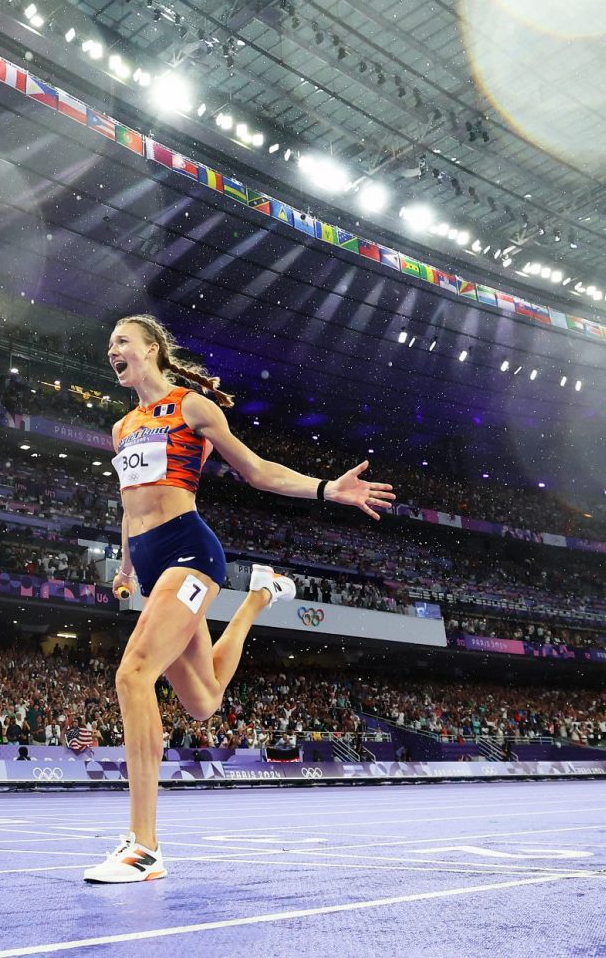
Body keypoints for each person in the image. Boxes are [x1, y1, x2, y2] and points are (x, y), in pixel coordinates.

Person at [84, 314, 394, 884]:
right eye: (109, 345)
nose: (112, 351)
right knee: (202, 703)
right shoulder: (122, 427)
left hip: (190, 555)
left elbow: (256, 472)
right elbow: (129, 507)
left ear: (151, 348)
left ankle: (144, 846)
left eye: (121, 341)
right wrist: (126, 567)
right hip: (153, 569)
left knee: (132, 676)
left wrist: (328, 489)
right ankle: (256, 600)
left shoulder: (192, 408)